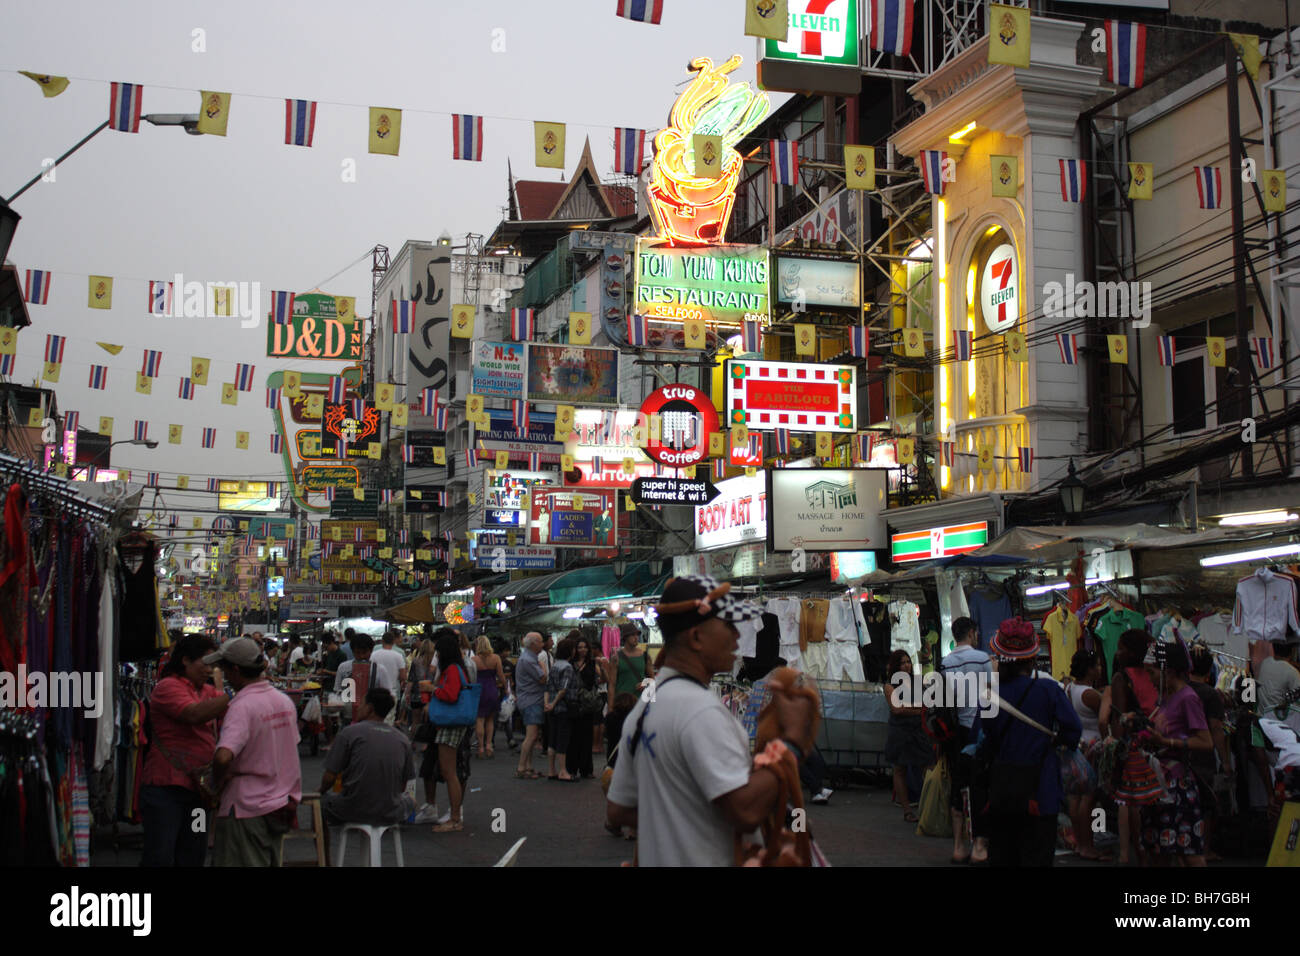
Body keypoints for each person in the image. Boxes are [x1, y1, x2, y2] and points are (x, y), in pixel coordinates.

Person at [606, 574, 817, 866]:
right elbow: (745, 812)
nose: (737, 636)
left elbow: (618, 810)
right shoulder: (701, 711)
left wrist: (685, 820)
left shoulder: (647, 706)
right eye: (728, 625)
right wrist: (791, 742)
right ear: (696, 637)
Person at [973, 618, 1081, 867]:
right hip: (1041, 793)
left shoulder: (990, 696)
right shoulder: (1049, 691)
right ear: (1033, 657)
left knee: (1003, 857)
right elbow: (1072, 731)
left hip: (1002, 791)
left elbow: (983, 734)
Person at [208, 637, 303, 867]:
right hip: (280, 802)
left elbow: (223, 756)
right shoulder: (283, 701)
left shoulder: (242, 706)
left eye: (224, 669)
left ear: (236, 671)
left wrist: (215, 783)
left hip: (246, 806)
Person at [140, 634, 229, 866]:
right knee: (160, 854)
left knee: (193, 851)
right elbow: (194, 714)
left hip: (197, 793)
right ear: (186, 660)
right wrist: (231, 695)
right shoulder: (167, 687)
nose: (209, 669)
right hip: (166, 789)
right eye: (205, 661)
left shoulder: (207, 691)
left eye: (213, 663)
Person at [1139, 640, 1212, 866]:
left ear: (1167, 672)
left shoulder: (1188, 698)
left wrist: (1166, 741)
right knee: (1161, 848)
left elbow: (1205, 741)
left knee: (1187, 851)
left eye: (1151, 672)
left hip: (1178, 785)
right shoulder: (1167, 697)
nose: (1149, 679)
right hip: (1162, 783)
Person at [318, 687, 415, 857]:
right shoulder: (402, 739)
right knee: (411, 801)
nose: (358, 708)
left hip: (353, 807)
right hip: (390, 809)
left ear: (370, 708)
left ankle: (323, 856)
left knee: (319, 804)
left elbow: (329, 777)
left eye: (361, 704)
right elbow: (403, 784)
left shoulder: (349, 733)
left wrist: (319, 792)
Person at [940, 615, 992, 864]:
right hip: (980, 729)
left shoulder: (946, 663)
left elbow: (944, 700)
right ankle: (979, 845)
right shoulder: (982, 658)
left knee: (958, 785)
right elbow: (992, 694)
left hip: (955, 731)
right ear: (971, 633)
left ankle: (958, 846)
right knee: (980, 785)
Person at [1107, 629, 1161, 866]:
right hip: (1156, 740)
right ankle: (1148, 850)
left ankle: (1131, 853)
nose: (1117, 653)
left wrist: (1117, 748)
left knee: (1130, 801)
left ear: (1131, 651)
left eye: (1121, 648)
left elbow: (1118, 718)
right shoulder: (1153, 674)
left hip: (1134, 746)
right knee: (1152, 801)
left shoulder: (1122, 678)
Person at [1188, 641, 1232, 860]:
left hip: (1184, 752)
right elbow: (1216, 728)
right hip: (1204, 754)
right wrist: (1225, 761)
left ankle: (1189, 846)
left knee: (1188, 802)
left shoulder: (1180, 689)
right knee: (1208, 803)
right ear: (1208, 670)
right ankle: (1203, 850)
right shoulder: (1210, 694)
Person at [425, 631, 472, 831]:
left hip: (450, 723)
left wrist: (432, 689)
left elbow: (451, 695)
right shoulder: (459, 667)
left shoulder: (452, 669)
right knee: (450, 771)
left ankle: (454, 819)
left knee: (449, 772)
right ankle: (454, 817)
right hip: (453, 723)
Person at [1063, 649, 1106, 861]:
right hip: (1092, 748)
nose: (1099, 669)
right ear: (1089, 669)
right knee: (1088, 799)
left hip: (1076, 747)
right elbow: (1106, 717)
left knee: (1074, 797)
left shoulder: (1070, 688)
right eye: (1097, 665)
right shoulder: (1090, 694)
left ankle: (1080, 844)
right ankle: (1088, 845)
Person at [885, 649, 932, 823]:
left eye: (908, 662)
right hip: (900, 731)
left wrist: (910, 708)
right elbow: (897, 709)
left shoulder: (917, 682)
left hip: (918, 730)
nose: (906, 666)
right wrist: (917, 710)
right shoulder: (890, 686)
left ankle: (926, 806)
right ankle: (907, 810)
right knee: (900, 769)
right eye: (902, 662)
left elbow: (926, 704)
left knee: (926, 766)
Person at [514, 633, 547, 779]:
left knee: (532, 736)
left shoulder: (527, 658)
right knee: (531, 735)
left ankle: (528, 766)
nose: (542, 644)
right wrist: (543, 667)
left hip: (528, 699)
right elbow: (542, 678)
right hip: (531, 700)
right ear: (533, 644)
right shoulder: (529, 660)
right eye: (540, 642)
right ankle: (521, 767)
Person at [567, 634, 599, 779]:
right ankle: (572, 768)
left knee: (587, 737)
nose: (583, 650)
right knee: (574, 737)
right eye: (580, 647)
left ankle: (586, 769)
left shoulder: (593, 663)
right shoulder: (570, 664)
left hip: (587, 703)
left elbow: (601, 679)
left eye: (585, 647)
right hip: (573, 703)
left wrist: (603, 669)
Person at [546, 638, 577, 781]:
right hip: (563, 707)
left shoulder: (554, 665)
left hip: (552, 709)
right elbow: (563, 689)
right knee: (562, 740)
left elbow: (547, 687)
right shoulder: (568, 667)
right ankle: (563, 771)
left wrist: (548, 704)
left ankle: (551, 770)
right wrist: (554, 703)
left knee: (552, 739)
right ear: (571, 651)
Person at [472, 636, 506, 758]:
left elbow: (471, 677)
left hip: (479, 690)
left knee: (479, 719)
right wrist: (506, 689)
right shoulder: (496, 658)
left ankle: (480, 747)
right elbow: (501, 676)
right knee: (490, 719)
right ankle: (489, 745)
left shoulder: (474, 659)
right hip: (492, 689)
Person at [609, 623, 653, 707]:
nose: (636, 637)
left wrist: (645, 683)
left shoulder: (645, 656)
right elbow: (612, 685)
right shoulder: (616, 658)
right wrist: (610, 708)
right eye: (632, 635)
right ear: (625, 637)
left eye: (637, 635)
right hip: (621, 703)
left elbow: (652, 679)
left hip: (640, 702)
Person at [369, 631, 407, 723]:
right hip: (391, 693)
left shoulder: (374, 654)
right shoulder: (398, 656)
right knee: (388, 721)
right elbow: (403, 676)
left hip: (375, 692)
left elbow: (369, 672)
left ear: (382, 641)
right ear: (393, 641)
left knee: (375, 719)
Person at [334, 633, 377, 714]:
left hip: (370, 716)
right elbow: (337, 690)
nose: (361, 656)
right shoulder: (343, 667)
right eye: (357, 652)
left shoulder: (378, 669)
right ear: (352, 651)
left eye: (364, 652)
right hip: (347, 714)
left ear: (371, 651)